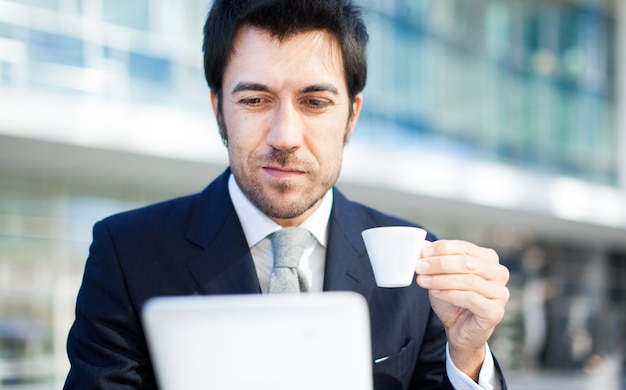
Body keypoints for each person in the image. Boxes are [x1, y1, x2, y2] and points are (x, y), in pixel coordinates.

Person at [64, 0, 510, 389]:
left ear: (351, 117)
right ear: (219, 110)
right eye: (255, 100)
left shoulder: (418, 262)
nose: (285, 136)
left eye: (315, 102)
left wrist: (467, 357)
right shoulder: (127, 254)